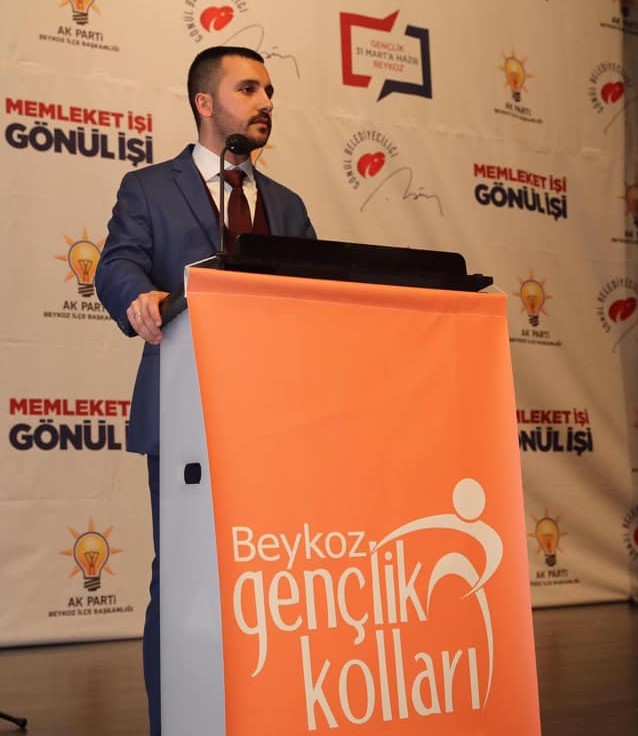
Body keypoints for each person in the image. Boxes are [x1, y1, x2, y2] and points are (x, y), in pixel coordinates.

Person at [95, 46, 316, 735]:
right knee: (185, 578)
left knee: (276, 578)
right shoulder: (148, 188)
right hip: (186, 411)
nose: (265, 102)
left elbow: (316, 298)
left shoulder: (288, 205)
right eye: (248, 89)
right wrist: (138, 297)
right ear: (204, 102)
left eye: (269, 91)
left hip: (277, 420)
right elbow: (118, 264)